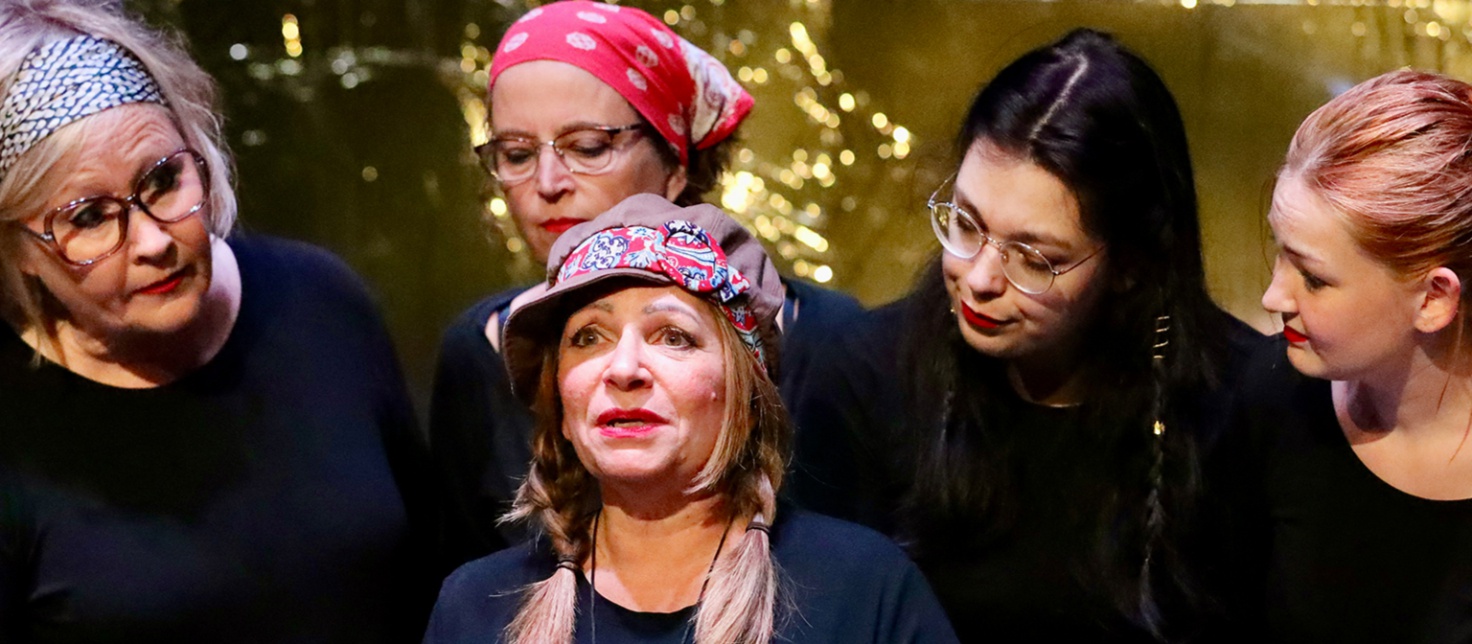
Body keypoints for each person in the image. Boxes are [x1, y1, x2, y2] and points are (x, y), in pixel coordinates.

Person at [789, 29, 1266, 642]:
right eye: (966, 224)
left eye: (1034, 259)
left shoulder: (1241, 404)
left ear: (1131, 265)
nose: (979, 279)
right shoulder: (862, 372)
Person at [0, 1, 435, 641]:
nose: (153, 241)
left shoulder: (318, 300)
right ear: (17, 249)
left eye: (163, 180)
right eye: (89, 217)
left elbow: (435, 578)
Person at [429, 0, 861, 567]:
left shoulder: (837, 341)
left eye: (588, 147)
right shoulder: (475, 352)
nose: (549, 182)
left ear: (676, 163)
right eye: (516, 154)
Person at [423, 194, 958, 644]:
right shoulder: (477, 608)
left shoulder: (862, 593)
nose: (623, 369)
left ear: (746, 397)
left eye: (673, 336)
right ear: (561, 405)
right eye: (588, 337)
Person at [1230, 69, 1472, 642]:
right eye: (1280, 253)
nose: (1272, 298)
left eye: (1313, 278)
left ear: (1433, 299)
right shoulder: (1268, 393)